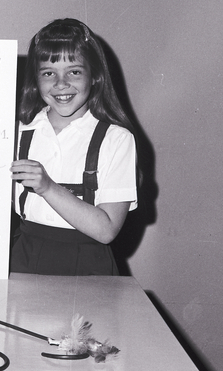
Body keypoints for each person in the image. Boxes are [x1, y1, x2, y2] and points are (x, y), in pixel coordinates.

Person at [10, 18, 137, 275]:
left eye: (74, 72)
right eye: (48, 73)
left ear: (95, 76)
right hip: (24, 258)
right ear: (36, 79)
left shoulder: (116, 139)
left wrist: (48, 187)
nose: (61, 83)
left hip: (87, 265)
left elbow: (107, 230)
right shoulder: (17, 133)